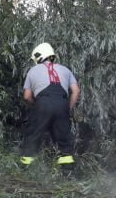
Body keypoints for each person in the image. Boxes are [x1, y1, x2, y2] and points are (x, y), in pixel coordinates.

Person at [19, 42, 80, 171]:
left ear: (38, 57)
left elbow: (26, 96)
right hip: (62, 104)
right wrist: (67, 108)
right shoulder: (65, 69)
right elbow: (76, 91)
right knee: (64, 140)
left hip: (43, 103)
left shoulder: (33, 70)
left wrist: (37, 106)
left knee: (33, 136)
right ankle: (67, 172)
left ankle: (26, 169)